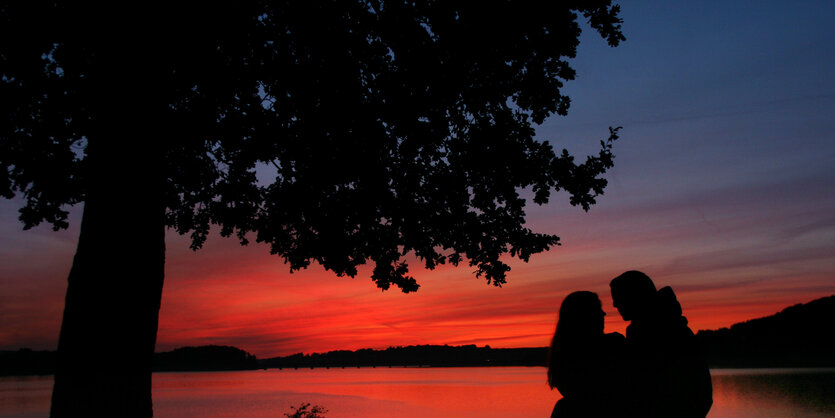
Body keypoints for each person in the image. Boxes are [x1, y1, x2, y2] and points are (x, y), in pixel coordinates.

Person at [609, 270, 713, 417]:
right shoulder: (653, 330)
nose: (614, 304)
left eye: (618, 298)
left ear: (634, 296)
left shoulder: (666, 334)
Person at [547, 291, 630, 417]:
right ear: (585, 315)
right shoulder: (613, 344)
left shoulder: (562, 357)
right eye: (598, 309)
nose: (604, 313)